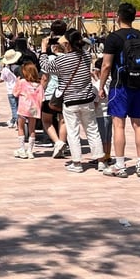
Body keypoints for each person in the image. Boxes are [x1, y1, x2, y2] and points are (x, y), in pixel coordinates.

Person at [98, 3, 140, 177]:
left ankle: (120, 165)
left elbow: (106, 65)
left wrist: (101, 85)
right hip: (138, 84)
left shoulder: (114, 38)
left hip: (120, 85)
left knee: (118, 125)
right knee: (138, 124)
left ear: (118, 16)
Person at [40, 28, 105, 173]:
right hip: (86, 99)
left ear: (68, 43)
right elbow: (80, 49)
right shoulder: (86, 55)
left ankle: (77, 163)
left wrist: (44, 50)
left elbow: (45, 66)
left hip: (70, 101)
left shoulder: (62, 59)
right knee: (93, 130)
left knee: (73, 132)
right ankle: (101, 161)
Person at [13, 62, 44, 158]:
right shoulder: (39, 86)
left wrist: (17, 83)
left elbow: (15, 93)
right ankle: (30, 151)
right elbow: (42, 99)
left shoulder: (22, 82)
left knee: (21, 127)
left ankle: (22, 149)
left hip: (23, 108)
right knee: (32, 129)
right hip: (34, 109)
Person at [0, 49, 21, 128]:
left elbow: (2, 79)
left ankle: (16, 121)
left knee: (14, 107)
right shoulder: (19, 67)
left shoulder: (5, 69)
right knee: (19, 107)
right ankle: (17, 121)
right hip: (19, 89)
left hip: (10, 91)